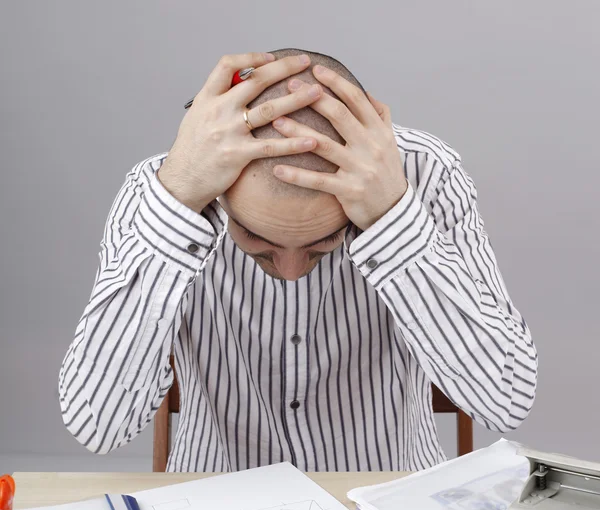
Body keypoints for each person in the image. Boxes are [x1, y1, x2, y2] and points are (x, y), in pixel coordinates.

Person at [59, 48, 538, 472]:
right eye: (255, 238)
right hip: (215, 506)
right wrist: (177, 201)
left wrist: (393, 217)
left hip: (388, 508)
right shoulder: (169, 188)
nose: (289, 273)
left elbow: (505, 401)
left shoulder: (424, 175)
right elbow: (97, 427)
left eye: (324, 243)